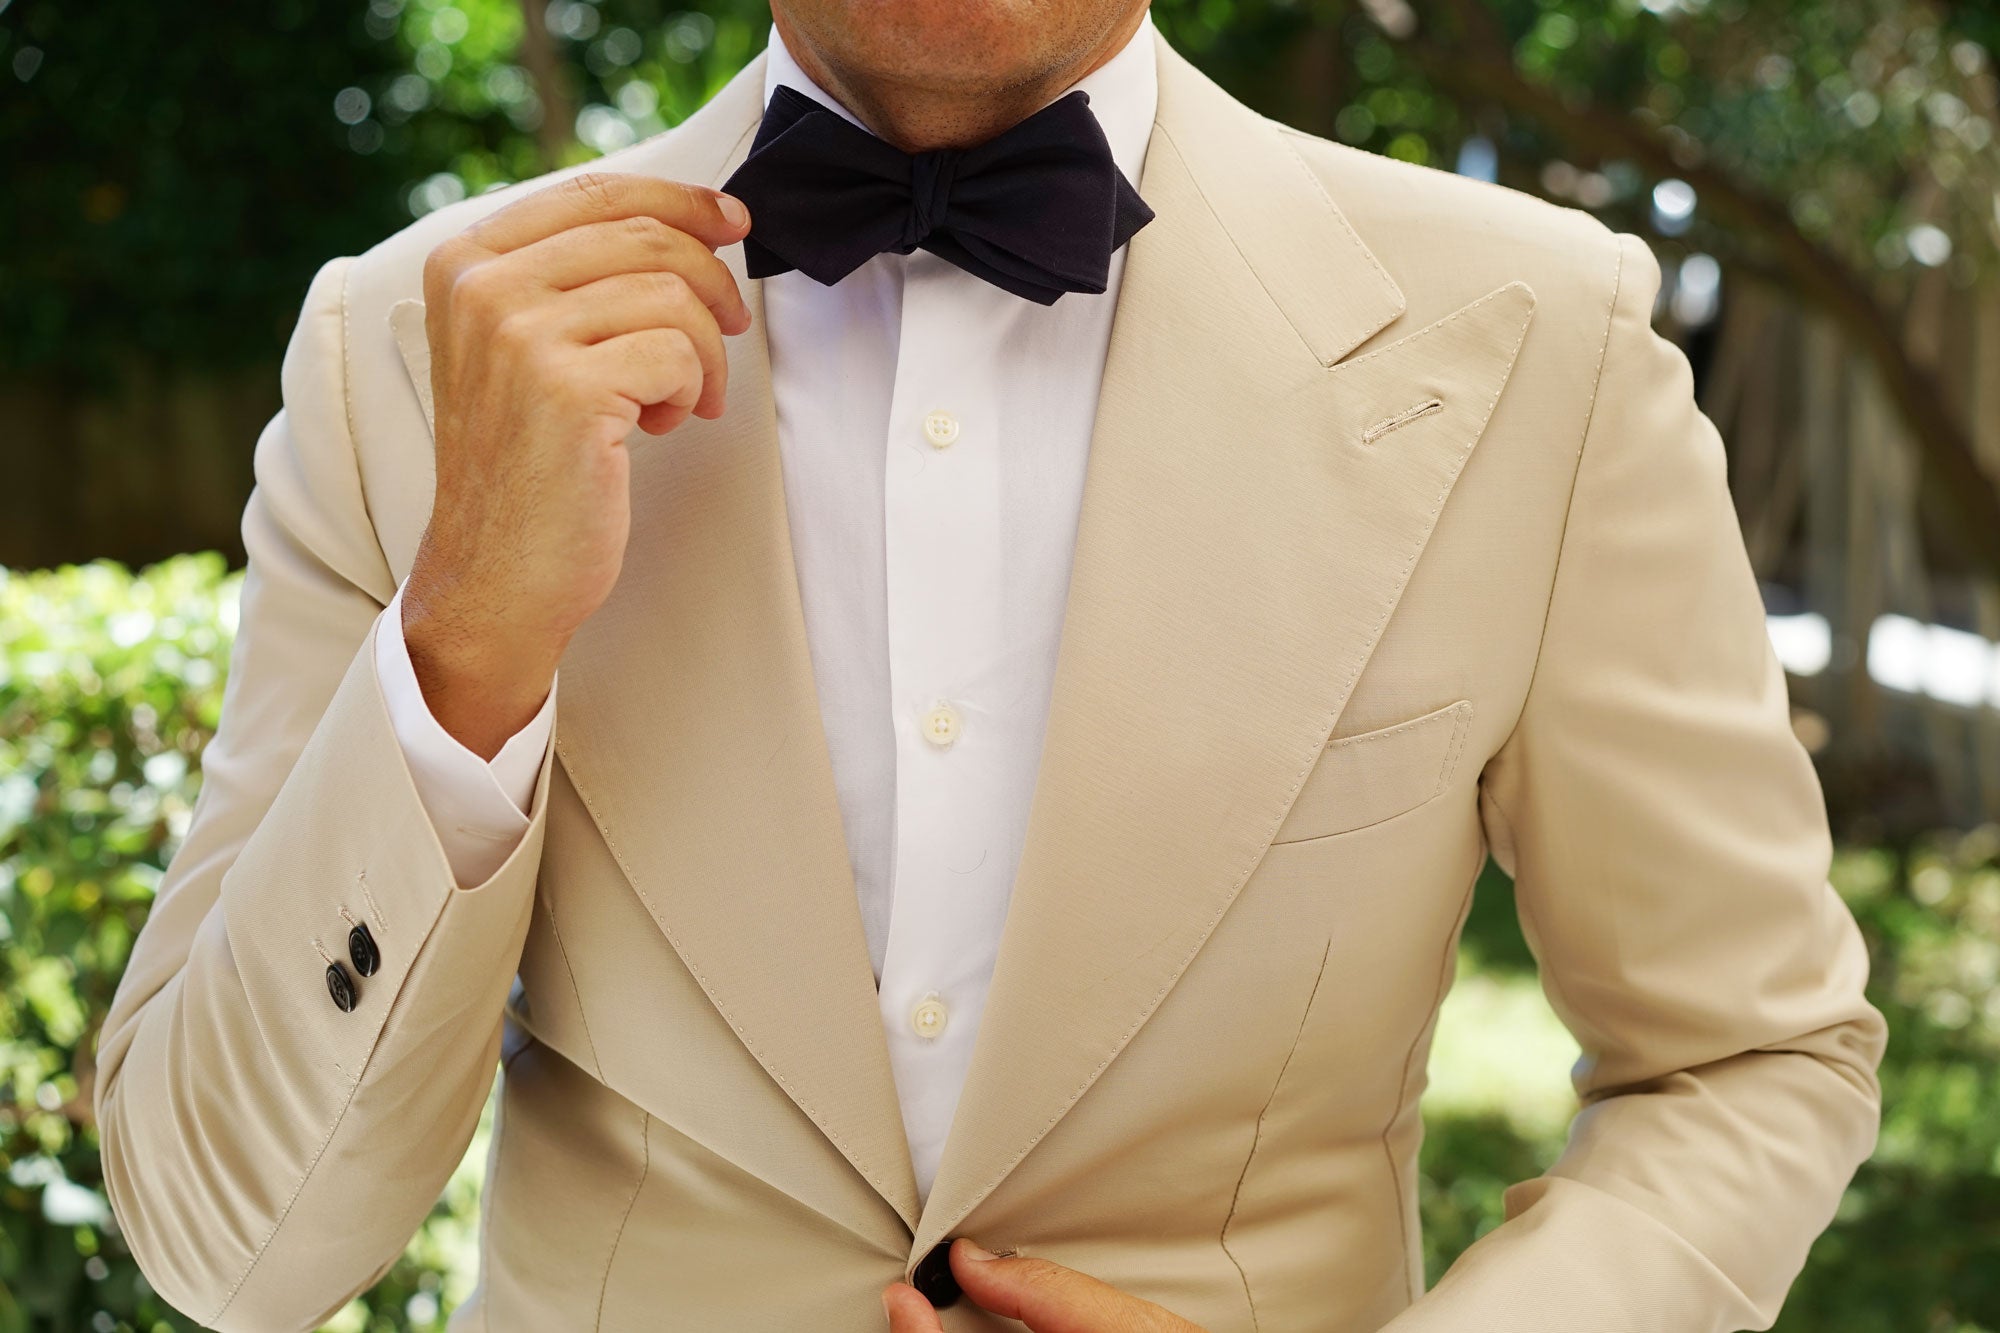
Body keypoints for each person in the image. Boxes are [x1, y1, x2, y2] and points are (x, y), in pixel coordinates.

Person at [91, 1, 1889, 1329]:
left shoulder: (1540, 344)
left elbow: (1745, 1057)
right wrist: (462, 645)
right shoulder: (403, 355)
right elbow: (229, 1243)